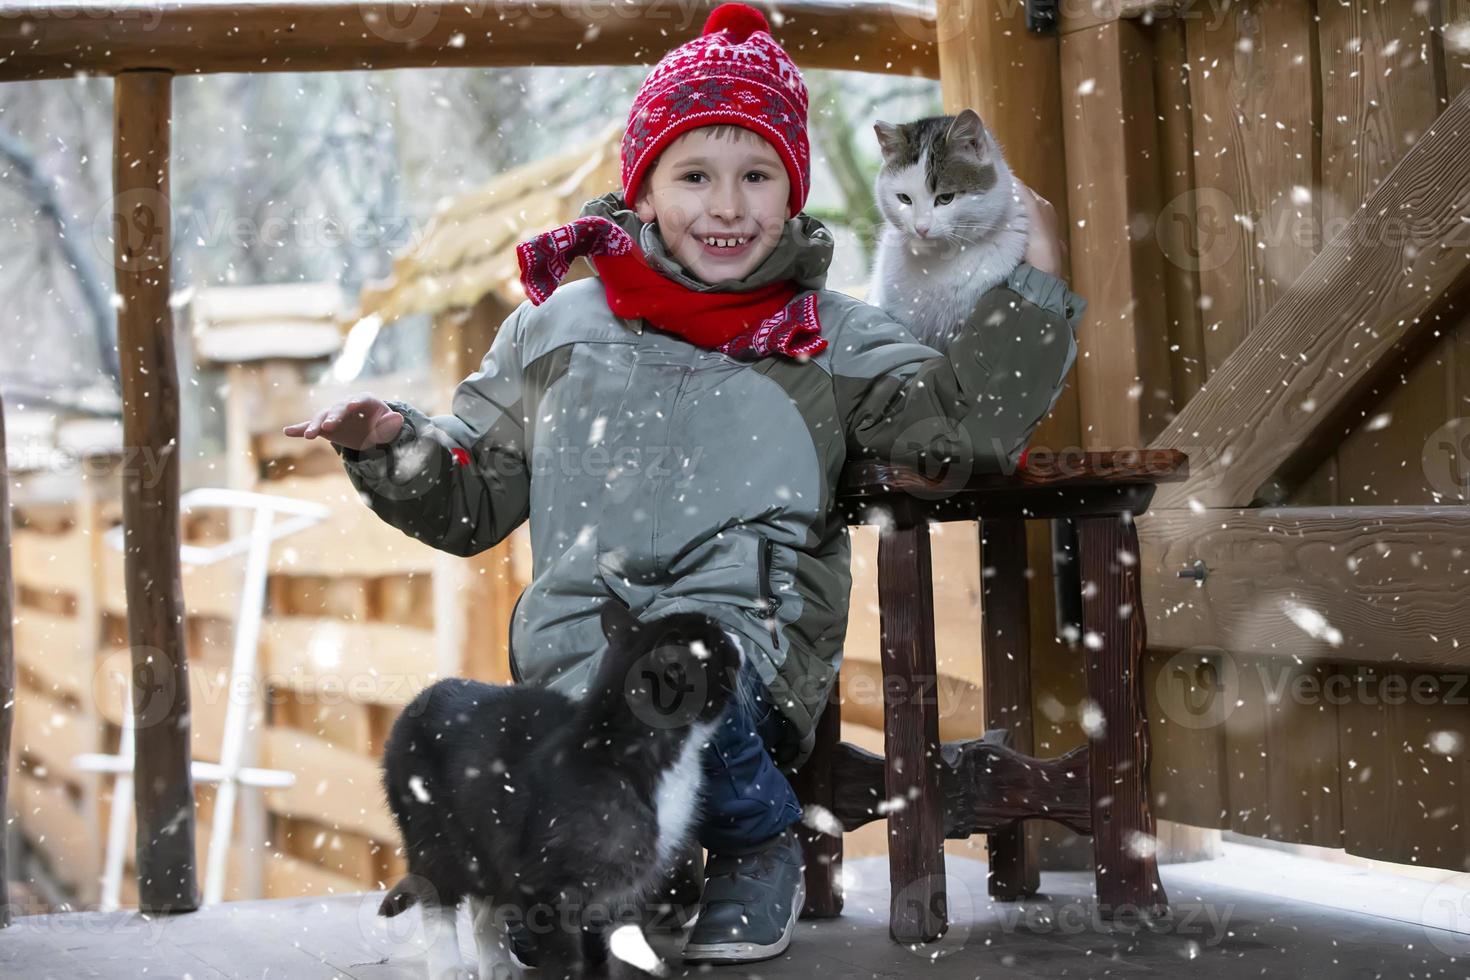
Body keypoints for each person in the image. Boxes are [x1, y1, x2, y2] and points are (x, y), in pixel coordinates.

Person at [284, 1, 1084, 965]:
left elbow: (962, 423)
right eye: (694, 174)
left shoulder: (833, 339)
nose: (728, 205)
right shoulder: (558, 330)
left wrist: (1035, 283)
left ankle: (758, 839)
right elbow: (473, 490)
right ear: (645, 189)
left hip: (744, 640)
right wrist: (391, 444)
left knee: (678, 703)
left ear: (792, 198)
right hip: (583, 655)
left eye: (757, 177)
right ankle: (606, 877)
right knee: (519, 748)